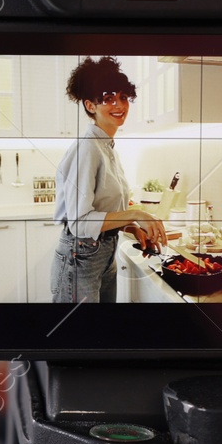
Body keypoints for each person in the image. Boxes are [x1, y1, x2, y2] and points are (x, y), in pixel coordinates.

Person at [50, 57, 167, 303]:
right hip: (79, 258)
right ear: (90, 105)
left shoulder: (107, 147)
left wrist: (132, 227)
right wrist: (138, 214)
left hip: (101, 255)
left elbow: (104, 212)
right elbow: (79, 223)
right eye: (108, 98)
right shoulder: (88, 149)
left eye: (123, 97)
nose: (119, 105)